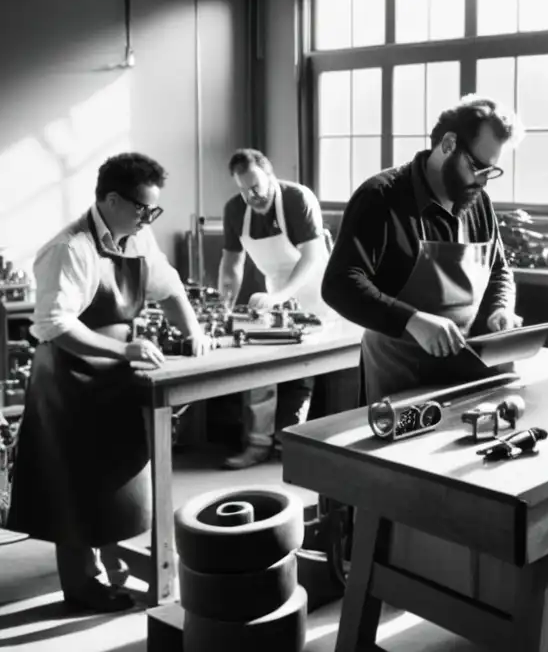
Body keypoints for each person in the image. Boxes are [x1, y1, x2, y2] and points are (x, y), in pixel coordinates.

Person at [7, 152, 214, 612]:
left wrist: (193, 330)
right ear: (113, 200)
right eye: (142, 209)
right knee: (74, 489)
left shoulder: (137, 238)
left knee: (113, 485)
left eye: (152, 211)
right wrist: (124, 351)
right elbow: (55, 325)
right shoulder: (70, 249)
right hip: (68, 379)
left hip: (114, 378)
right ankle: (81, 588)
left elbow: (170, 286)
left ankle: (112, 569)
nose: (148, 219)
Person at [322, 94, 524, 405]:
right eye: (478, 167)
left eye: (491, 172)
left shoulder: (478, 202)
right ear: (448, 144)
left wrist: (501, 308)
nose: (483, 182)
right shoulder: (380, 197)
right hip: (398, 377)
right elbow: (340, 283)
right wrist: (412, 320)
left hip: (465, 372)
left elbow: (498, 269)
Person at [217, 149, 335, 469]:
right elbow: (231, 263)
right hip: (276, 293)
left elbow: (311, 258)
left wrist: (281, 296)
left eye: (255, 186)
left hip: (317, 293)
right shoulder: (235, 210)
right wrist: (224, 303)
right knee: (259, 362)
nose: (250, 195)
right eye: (242, 189)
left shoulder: (297, 199)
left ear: (270, 176)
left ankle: (288, 445)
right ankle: (258, 444)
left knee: (301, 372)